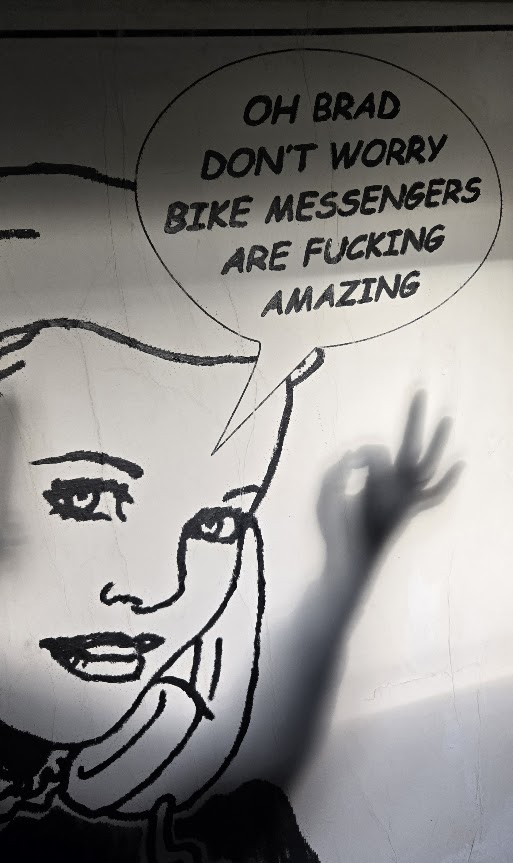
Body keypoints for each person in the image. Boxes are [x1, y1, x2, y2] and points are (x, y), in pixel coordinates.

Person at [0, 172, 462, 862]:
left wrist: (353, 565)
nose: (161, 589)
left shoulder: (215, 825)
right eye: (85, 498)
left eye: (217, 524)